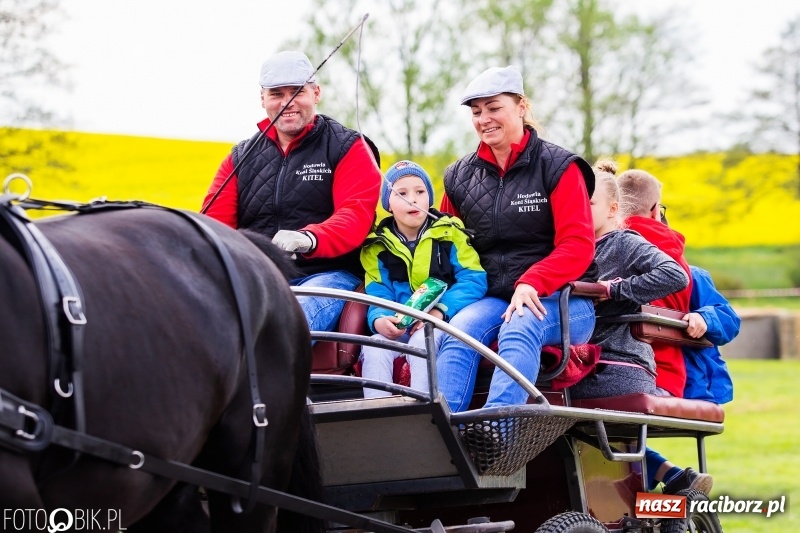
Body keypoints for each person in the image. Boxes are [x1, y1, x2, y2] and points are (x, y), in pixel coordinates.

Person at [436, 65, 598, 413]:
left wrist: (532, 282)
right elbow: (448, 248)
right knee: (459, 330)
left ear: (521, 106)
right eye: (476, 112)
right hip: (493, 298)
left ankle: (498, 431)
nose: (484, 119)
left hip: (563, 300)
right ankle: (443, 434)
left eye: (494, 108)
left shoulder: (559, 166)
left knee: (519, 325)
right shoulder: (458, 177)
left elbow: (578, 245)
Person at [201, 50, 381, 334]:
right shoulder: (239, 158)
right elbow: (213, 225)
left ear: (316, 93)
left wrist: (308, 238)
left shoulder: (350, 147)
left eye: (297, 92)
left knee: (289, 320)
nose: (287, 103)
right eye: (276, 94)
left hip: (327, 276)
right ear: (262, 99)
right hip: (258, 276)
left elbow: (355, 215)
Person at [360, 160, 487, 398]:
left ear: (430, 197)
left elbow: (473, 279)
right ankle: (377, 415)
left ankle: (423, 411)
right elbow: (378, 292)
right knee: (374, 347)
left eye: (420, 192)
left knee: (422, 340)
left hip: (442, 322)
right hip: (400, 324)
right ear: (388, 204)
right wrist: (379, 320)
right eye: (402, 193)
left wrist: (439, 312)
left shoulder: (450, 233)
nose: (413, 199)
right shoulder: (376, 246)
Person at [569, 160, 689, 400]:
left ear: (612, 209)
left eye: (589, 203)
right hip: (578, 365)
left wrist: (613, 289)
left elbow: (675, 275)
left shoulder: (624, 242)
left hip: (617, 365)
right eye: (575, 202)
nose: (579, 209)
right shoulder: (569, 249)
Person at [617, 169, 693, 397]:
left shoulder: (603, 245)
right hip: (666, 376)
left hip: (606, 370)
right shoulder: (677, 259)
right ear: (655, 209)